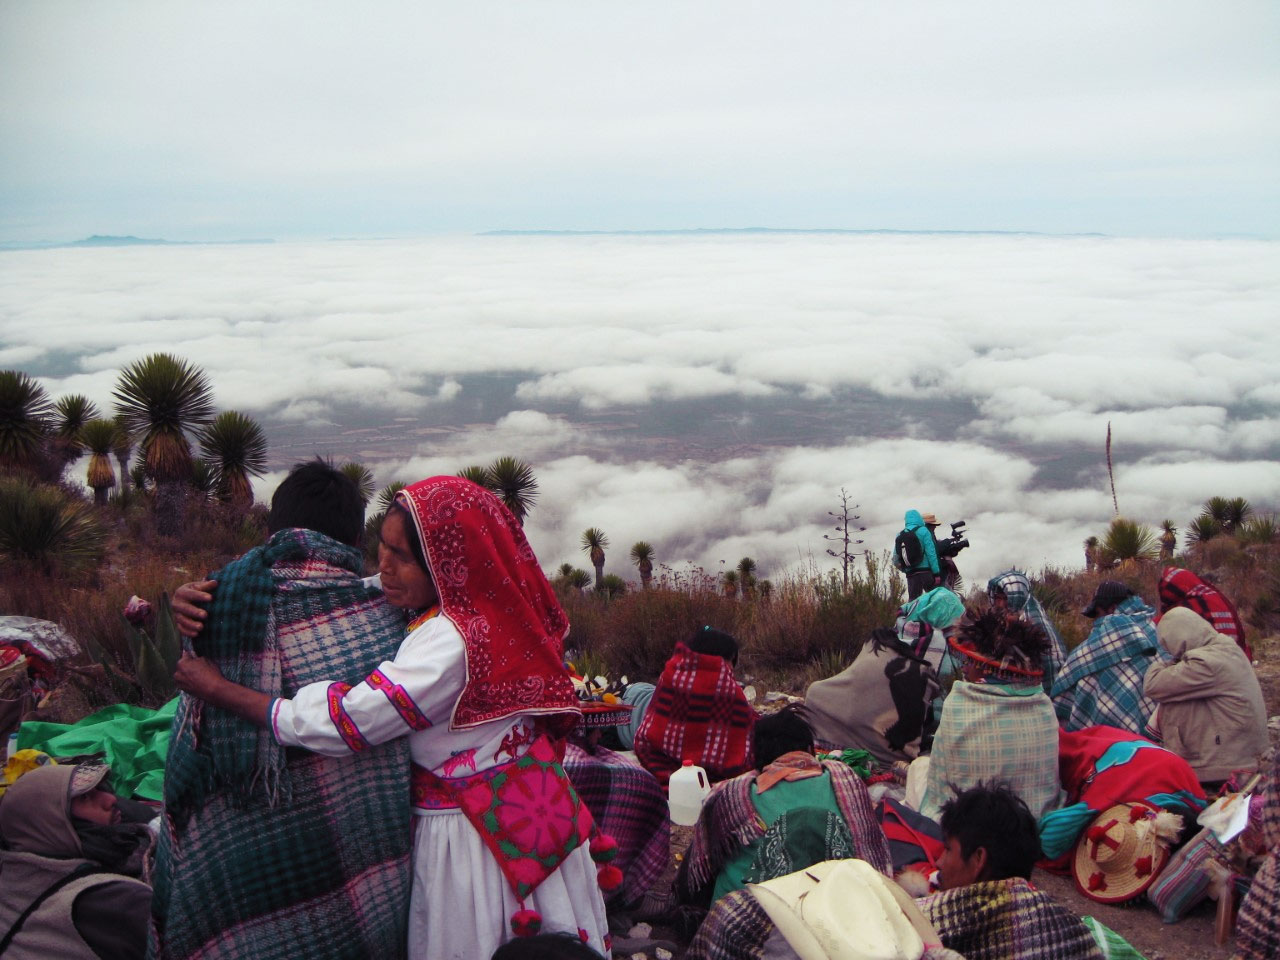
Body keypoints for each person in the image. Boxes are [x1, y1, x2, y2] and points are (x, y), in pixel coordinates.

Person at [174, 476, 610, 960]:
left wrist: (220, 691)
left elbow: (349, 722)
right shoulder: (484, 599)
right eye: (381, 546)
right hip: (528, 805)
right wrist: (216, 595)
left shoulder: (450, 642)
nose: (383, 567)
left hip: (473, 838)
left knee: (480, 940)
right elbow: (338, 591)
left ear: (447, 565)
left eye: (401, 557)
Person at [150, 459, 413, 960]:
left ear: (274, 527)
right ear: (356, 537)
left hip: (239, 856)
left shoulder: (223, 608)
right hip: (364, 854)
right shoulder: (392, 620)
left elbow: (189, 763)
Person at [675, 705, 892, 908]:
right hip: (836, 915)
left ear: (756, 758)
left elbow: (703, 861)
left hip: (746, 919)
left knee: (706, 848)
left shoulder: (733, 794)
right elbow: (870, 845)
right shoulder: (845, 781)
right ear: (810, 750)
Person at [915, 782, 1103, 960]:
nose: (939, 862)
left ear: (978, 859)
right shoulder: (1073, 928)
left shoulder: (936, 923)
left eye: (948, 849)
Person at [916, 610, 1062, 821]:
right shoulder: (1044, 706)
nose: (965, 666)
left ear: (984, 666)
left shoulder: (958, 703)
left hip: (967, 828)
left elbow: (939, 787)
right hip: (1032, 825)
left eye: (969, 660)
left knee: (919, 768)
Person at [0, 761, 152, 960]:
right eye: (86, 797)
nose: (110, 799)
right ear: (52, 824)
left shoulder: (12, 874)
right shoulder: (117, 900)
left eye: (101, 789)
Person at [1144, 607, 1268, 785]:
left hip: (1224, 766)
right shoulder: (1226, 649)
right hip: (1241, 756)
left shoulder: (1207, 663)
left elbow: (1153, 685)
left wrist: (1163, 663)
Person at [633, 626, 756, 790]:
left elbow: (649, 731)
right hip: (709, 781)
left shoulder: (670, 675)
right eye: (730, 659)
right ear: (720, 657)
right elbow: (744, 738)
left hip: (660, 769)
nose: (732, 668)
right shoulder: (727, 689)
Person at [803, 627, 940, 768]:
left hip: (880, 758)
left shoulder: (875, 649)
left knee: (814, 691)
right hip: (896, 761)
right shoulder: (923, 673)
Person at [1051, 580, 1158, 734]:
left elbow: (1063, 704)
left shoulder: (1090, 652)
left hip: (1113, 745)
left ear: (1112, 609)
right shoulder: (1155, 630)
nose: (1095, 622)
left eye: (1098, 615)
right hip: (1161, 737)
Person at [986, 569, 1067, 689]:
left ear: (1017, 598)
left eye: (1005, 598)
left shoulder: (1034, 622)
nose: (1001, 604)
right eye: (998, 598)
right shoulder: (1008, 621)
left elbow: (1049, 667)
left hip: (1042, 692)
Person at [1155, 565, 1252, 660]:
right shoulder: (1213, 596)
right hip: (1239, 660)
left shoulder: (1188, 608)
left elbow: (1157, 626)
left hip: (1212, 665)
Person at [893, 510, 942, 600]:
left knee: (914, 603)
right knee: (933, 600)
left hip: (911, 575)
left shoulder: (900, 535)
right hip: (926, 573)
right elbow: (931, 554)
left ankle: (913, 614)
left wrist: (905, 569)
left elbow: (895, 560)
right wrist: (936, 574)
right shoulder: (924, 531)